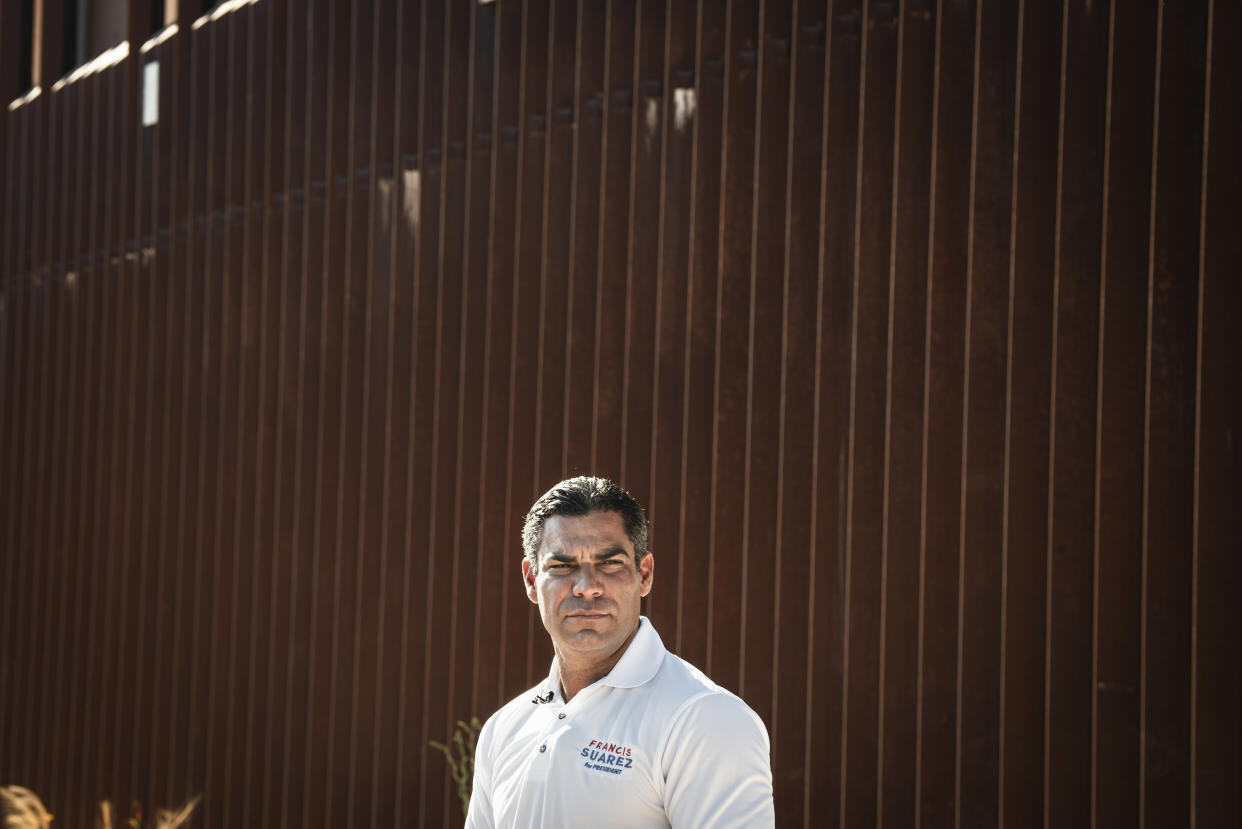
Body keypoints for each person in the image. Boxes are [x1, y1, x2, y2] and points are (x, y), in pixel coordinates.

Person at [465, 476, 775, 828]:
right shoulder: (504, 727)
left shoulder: (704, 717)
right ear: (532, 581)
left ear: (644, 575)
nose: (586, 587)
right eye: (562, 566)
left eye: (609, 563)